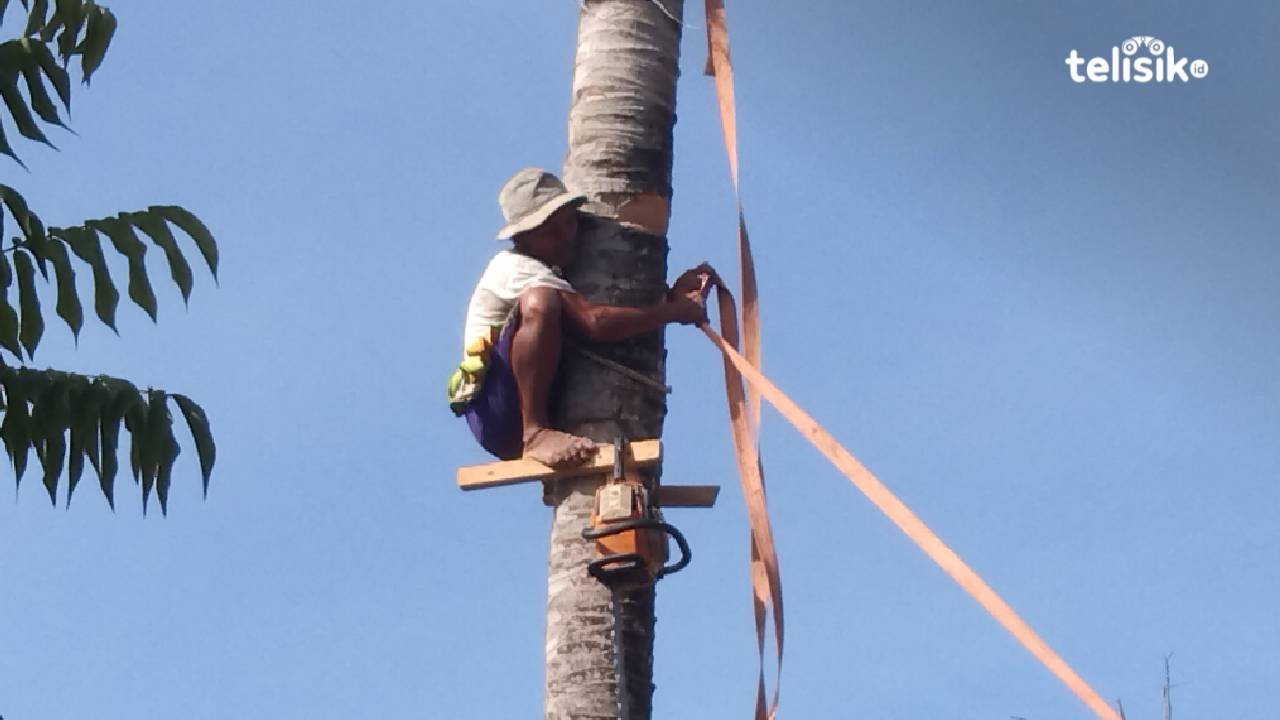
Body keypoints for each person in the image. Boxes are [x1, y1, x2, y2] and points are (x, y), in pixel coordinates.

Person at [448, 167, 714, 468]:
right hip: (496, 410)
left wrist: (667, 297)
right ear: (523, 238)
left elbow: (602, 314)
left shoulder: (551, 271)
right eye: (550, 232)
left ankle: (539, 429)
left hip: (521, 404)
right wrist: (675, 311)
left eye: (569, 224)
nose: (566, 237)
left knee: (552, 300)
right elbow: (594, 323)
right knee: (542, 300)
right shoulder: (513, 267)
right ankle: (535, 433)